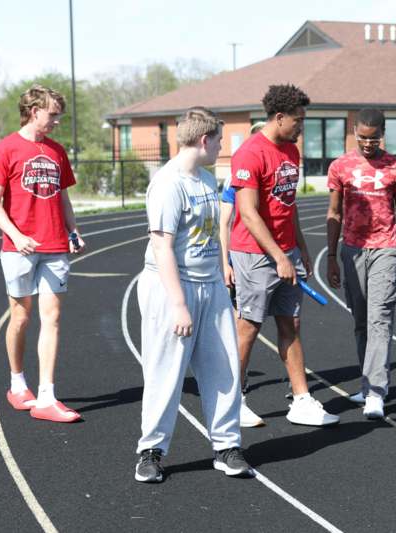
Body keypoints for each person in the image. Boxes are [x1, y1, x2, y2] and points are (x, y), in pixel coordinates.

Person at [134, 107, 252, 483]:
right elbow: (162, 247)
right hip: (172, 289)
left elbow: (214, 229)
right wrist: (179, 305)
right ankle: (150, 452)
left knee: (223, 368)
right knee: (165, 372)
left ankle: (226, 446)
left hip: (210, 286)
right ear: (205, 140)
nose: (221, 147)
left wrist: (222, 270)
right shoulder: (169, 184)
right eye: (219, 140)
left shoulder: (205, 178)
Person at [228, 84, 339, 427]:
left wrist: (301, 248)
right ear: (279, 117)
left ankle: (301, 399)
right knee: (248, 326)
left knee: (291, 323)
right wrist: (278, 256)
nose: (301, 127)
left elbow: (287, 205)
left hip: (286, 251)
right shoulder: (250, 153)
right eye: (298, 120)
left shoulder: (291, 151)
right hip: (255, 253)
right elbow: (248, 212)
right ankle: (233, 400)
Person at [0, 84, 85, 423]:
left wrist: (73, 230)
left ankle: (46, 396)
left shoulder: (57, 151)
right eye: (53, 114)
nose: (57, 121)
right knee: (21, 317)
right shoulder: (6, 149)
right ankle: (16, 383)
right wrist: (16, 234)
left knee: (52, 317)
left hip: (55, 245)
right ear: (34, 110)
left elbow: (64, 198)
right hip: (19, 248)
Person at [325, 108, 396, 419]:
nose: (367, 143)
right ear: (354, 132)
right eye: (362, 138)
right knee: (361, 322)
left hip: (386, 249)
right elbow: (334, 213)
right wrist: (332, 257)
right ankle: (366, 384)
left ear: (382, 134)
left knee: (380, 320)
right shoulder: (340, 167)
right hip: (352, 250)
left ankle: (376, 392)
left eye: (373, 138)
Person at [219, 120, 267, 428]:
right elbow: (224, 222)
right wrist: (225, 263)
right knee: (241, 327)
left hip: (267, 256)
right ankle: (236, 397)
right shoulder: (236, 180)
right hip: (242, 256)